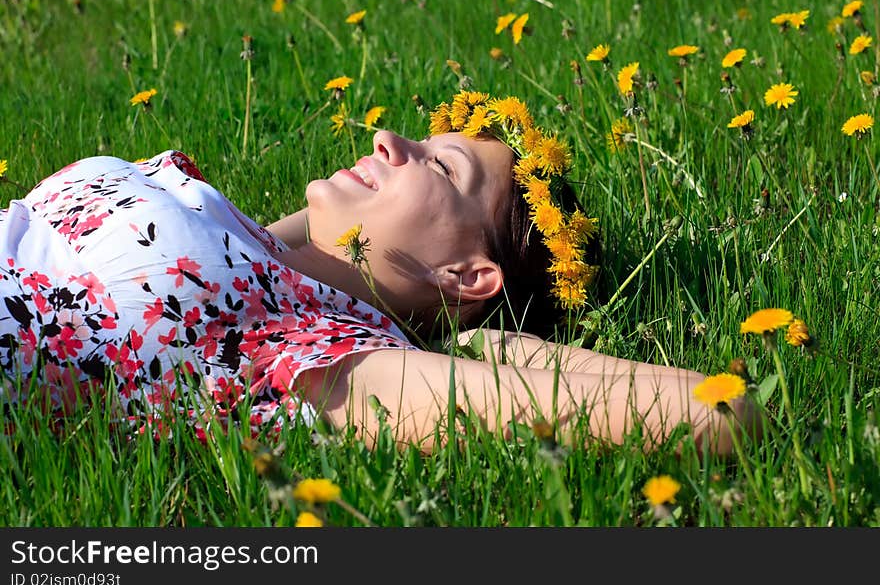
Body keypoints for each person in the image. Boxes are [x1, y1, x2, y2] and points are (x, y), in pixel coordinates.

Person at [0, 91, 753, 453]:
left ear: (467, 273)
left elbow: (722, 414)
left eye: (441, 164)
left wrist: (499, 346)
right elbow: (324, 241)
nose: (390, 137)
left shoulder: (331, 355)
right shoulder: (260, 248)